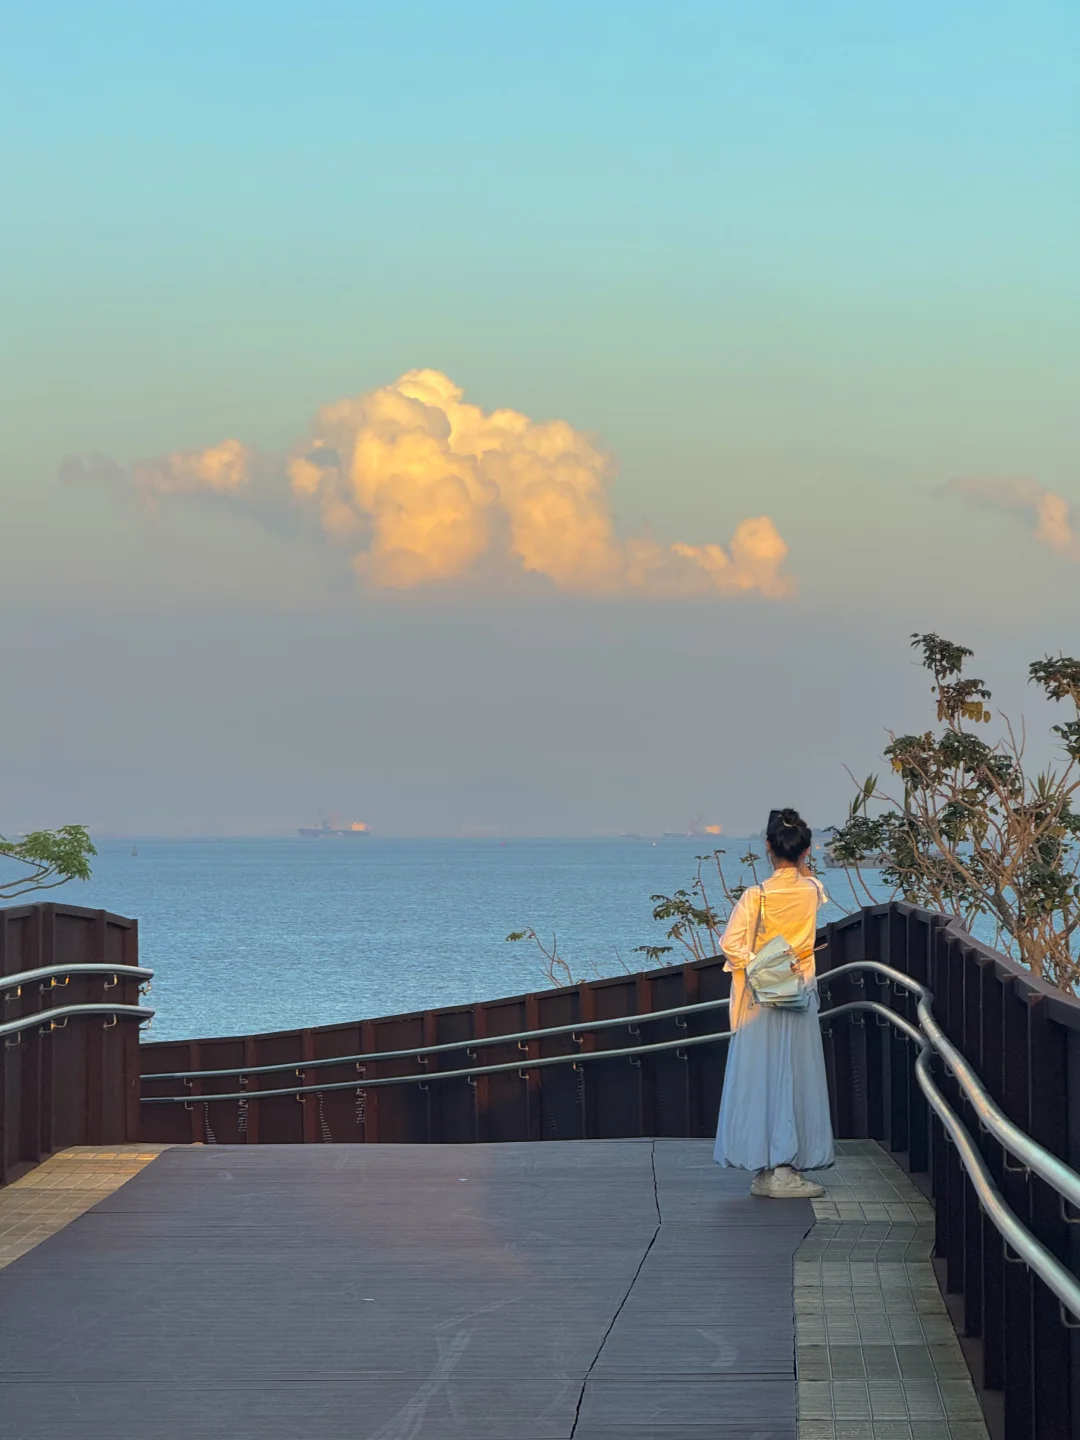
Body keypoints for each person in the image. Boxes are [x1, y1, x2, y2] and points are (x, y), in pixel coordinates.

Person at [713, 808, 834, 1199]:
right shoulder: (814, 890)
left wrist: (760, 963)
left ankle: (766, 1165)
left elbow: (731, 944)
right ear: (806, 849)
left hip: (761, 998)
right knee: (796, 1074)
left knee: (760, 1075)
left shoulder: (756, 896)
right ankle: (786, 1166)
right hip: (799, 989)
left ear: (768, 847)